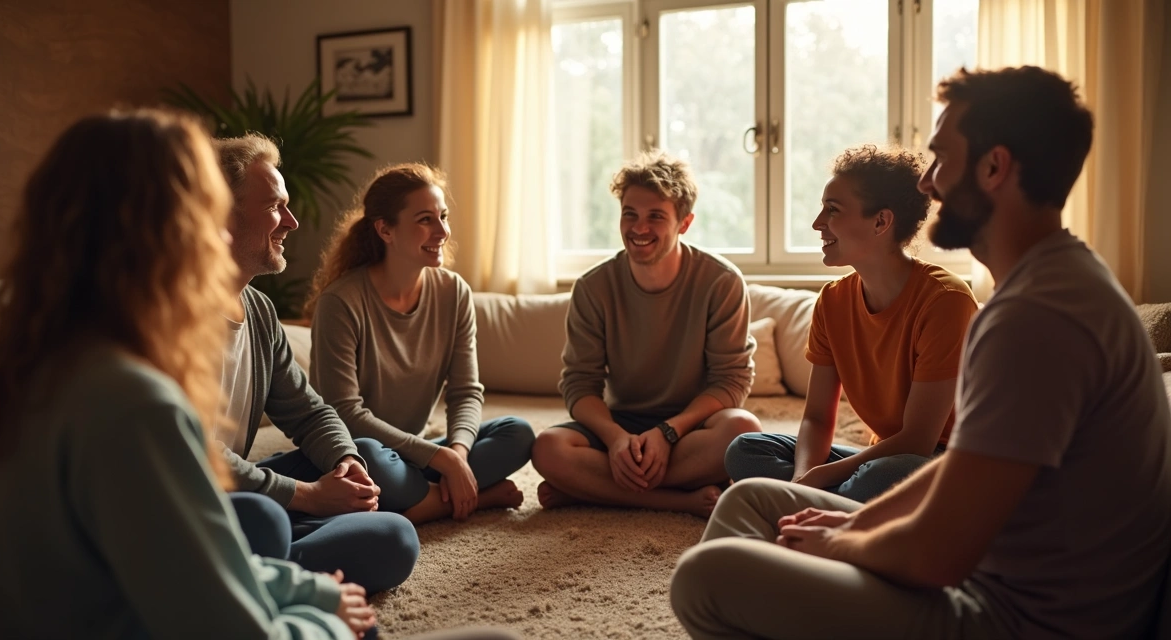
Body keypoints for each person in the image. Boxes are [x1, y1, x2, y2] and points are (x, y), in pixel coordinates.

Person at [671, 66, 1171, 639]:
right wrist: (846, 517)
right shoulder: (1047, 284)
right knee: (752, 500)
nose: (928, 185)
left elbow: (937, 555)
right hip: (986, 569)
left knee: (705, 577)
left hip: (1011, 615)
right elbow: (961, 477)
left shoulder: (1036, 319)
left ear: (993, 167)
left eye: (940, 159)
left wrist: (840, 540)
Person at [0, 110, 373, 639]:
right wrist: (328, 622)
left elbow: (177, 560)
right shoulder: (132, 401)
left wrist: (311, 592)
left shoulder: (40, 366)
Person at [213, 135, 418, 593]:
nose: (292, 221)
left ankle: (261, 565)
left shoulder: (260, 313)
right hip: (187, 500)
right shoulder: (169, 318)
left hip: (236, 499)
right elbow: (193, 452)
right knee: (270, 516)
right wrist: (307, 495)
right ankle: (258, 566)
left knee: (382, 502)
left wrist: (346, 463)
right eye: (274, 206)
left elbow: (309, 412)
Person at [724, 145, 978, 502]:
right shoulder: (832, 300)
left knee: (879, 477)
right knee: (746, 451)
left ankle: (821, 504)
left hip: (940, 463)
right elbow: (815, 417)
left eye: (833, 210)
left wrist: (825, 475)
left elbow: (919, 440)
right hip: (878, 462)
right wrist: (803, 478)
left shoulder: (946, 301)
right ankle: (832, 506)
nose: (817, 223)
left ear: (881, 221)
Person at [531, 150, 761, 517]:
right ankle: (678, 499)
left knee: (742, 430)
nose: (639, 228)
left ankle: (594, 490)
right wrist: (616, 439)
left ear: (684, 223)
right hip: (621, 424)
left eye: (656, 216)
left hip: (691, 424)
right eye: (630, 214)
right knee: (547, 447)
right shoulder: (593, 287)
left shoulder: (722, 281)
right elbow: (579, 384)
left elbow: (731, 380)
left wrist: (669, 433)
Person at [304, 163, 534, 525]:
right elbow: (344, 413)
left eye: (443, 216)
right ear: (385, 230)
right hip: (363, 452)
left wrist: (456, 453)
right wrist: (439, 460)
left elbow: (465, 392)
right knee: (370, 458)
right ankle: (471, 497)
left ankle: (422, 498)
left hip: (421, 451)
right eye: (426, 219)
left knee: (517, 433)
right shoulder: (342, 302)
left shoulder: (453, 292)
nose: (442, 231)